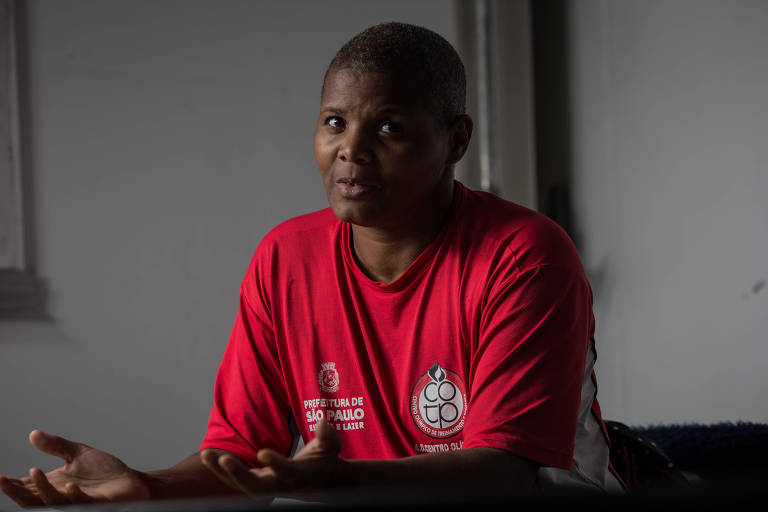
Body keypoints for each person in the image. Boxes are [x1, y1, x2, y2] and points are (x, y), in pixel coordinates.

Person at [0, 22, 622, 507]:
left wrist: (339, 482)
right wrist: (147, 485)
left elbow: (504, 476)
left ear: (456, 139)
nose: (351, 149)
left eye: (388, 127)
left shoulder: (525, 254)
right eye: (335, 122)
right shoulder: (285, 258)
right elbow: (245, 456)